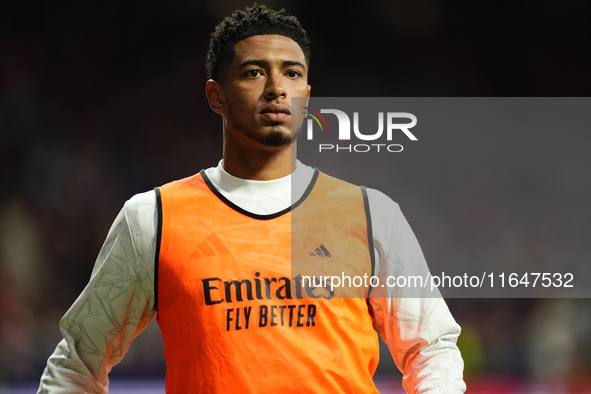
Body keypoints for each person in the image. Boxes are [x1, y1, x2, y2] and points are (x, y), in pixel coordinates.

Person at [38, 5, 466, 393]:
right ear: (215, 96)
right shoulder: (153, 218)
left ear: (307, 97)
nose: (277, 88)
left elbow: (432, 348)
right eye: (254, 72)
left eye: (293, 73)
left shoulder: (372, 214)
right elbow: (77, 364)